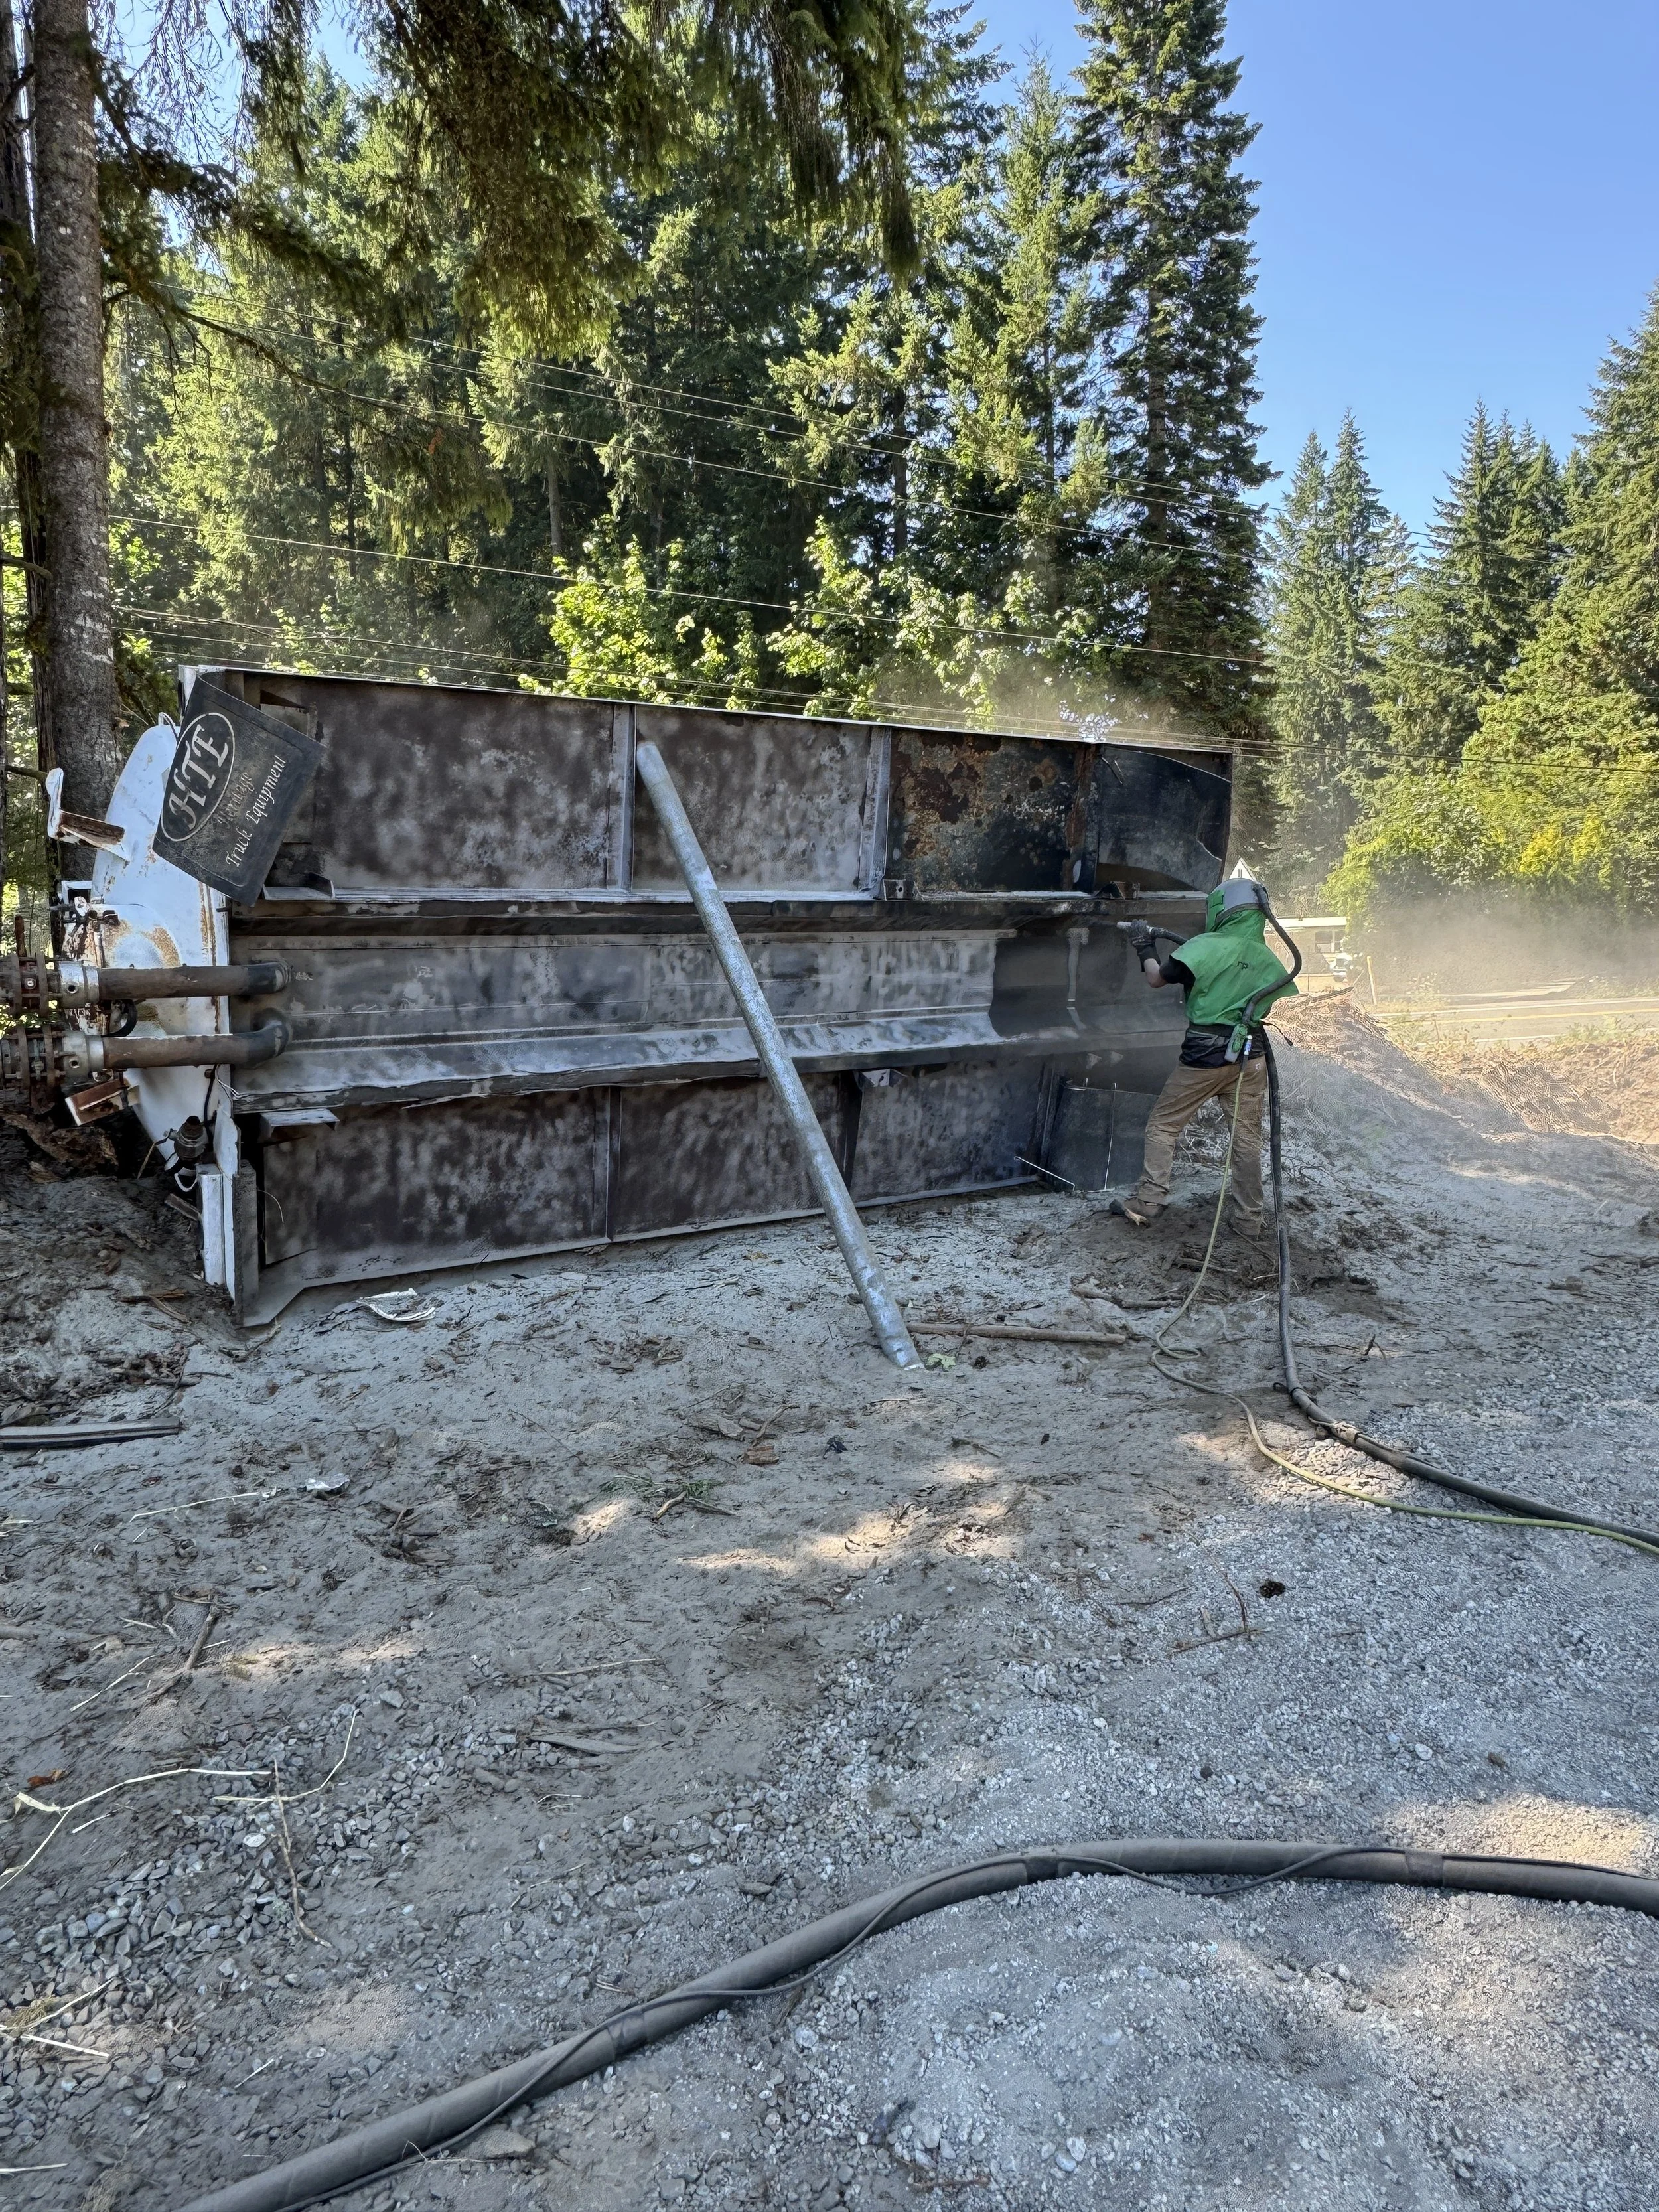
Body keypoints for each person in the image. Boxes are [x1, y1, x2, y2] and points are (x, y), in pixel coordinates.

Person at [1110, 877, 1298, 1237]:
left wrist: (1143, 945)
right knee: (1245, 1139)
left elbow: (1156, 979)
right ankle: (1249, 1220)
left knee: (1163, 1125)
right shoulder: (1268, 958)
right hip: (1250, 1058)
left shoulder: (1204, 947)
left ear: (1221, 909)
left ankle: (1150, 1200)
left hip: (1205, 1057)